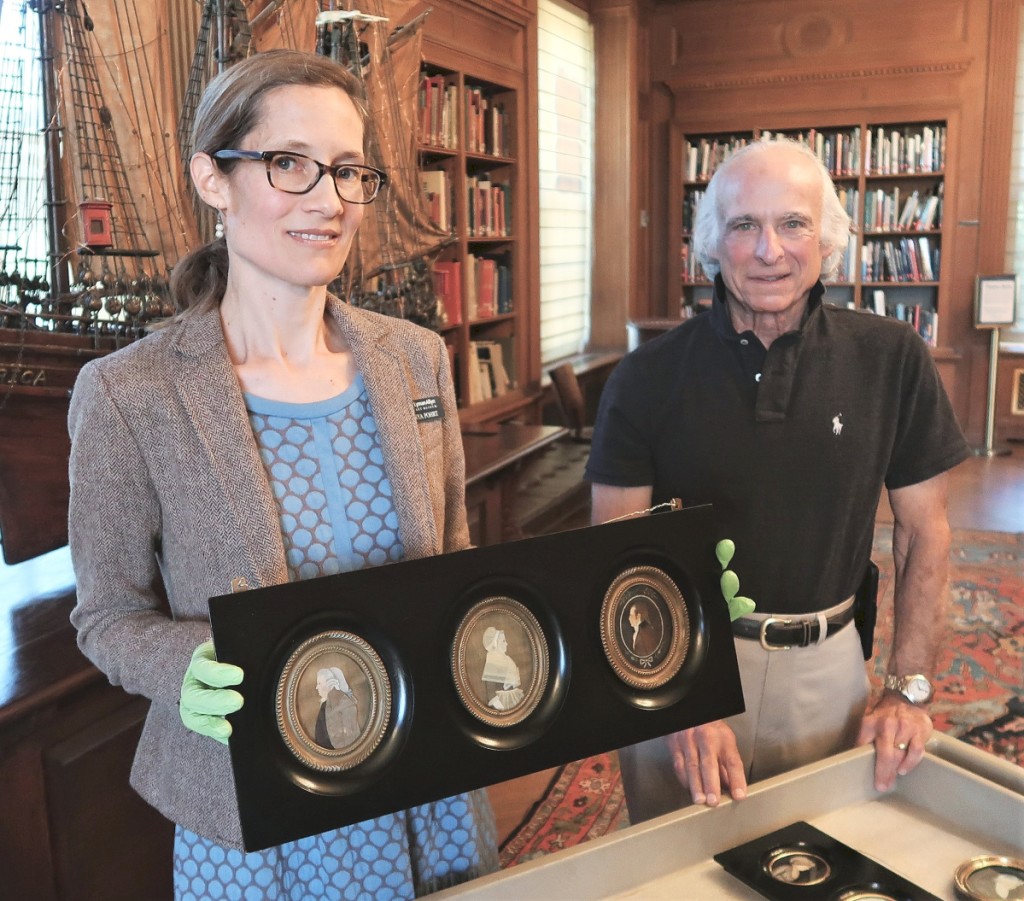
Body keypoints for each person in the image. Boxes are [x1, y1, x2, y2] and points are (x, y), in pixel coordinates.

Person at [68, 49, 498, 899]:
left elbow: (452, 559)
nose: (329, 200)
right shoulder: (129, 393)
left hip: (426, 779)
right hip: (255, 808)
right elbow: (108, 616)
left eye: (346, 170)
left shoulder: (414, 359)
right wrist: (189, 666)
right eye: (289, 164)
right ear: (213, 179)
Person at [586, 137, 968, 822]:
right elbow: (616, 558)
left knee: (822, 863)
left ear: (827, 241)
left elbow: (924, 533)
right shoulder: (644, 378)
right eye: (743, 226)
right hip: (682, 676)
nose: (769, 250)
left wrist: (908, 690)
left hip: (828, 669)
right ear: (710, 244)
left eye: (793, 224)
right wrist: (678, 698)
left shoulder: (893, 359)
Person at [314, 666, 359, 749]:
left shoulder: (347, 705)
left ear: (330, 683)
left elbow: (350, 741)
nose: (317, 687)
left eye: (319, 683)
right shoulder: (325, 706)